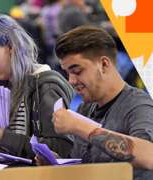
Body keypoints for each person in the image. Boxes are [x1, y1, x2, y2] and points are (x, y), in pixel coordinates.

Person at [0, 15, 74, 159]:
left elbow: (60, 148)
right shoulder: (6, 86)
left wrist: (2, 137)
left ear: (12, 47)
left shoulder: (47, 86)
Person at [53, 26, 153, 180]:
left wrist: (80, 126)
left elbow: (148, 156)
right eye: (67, 73)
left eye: (77, 71)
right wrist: (55, 162)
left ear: (104, 64)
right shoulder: (85, 108)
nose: (71, 81)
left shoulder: (139, 105)